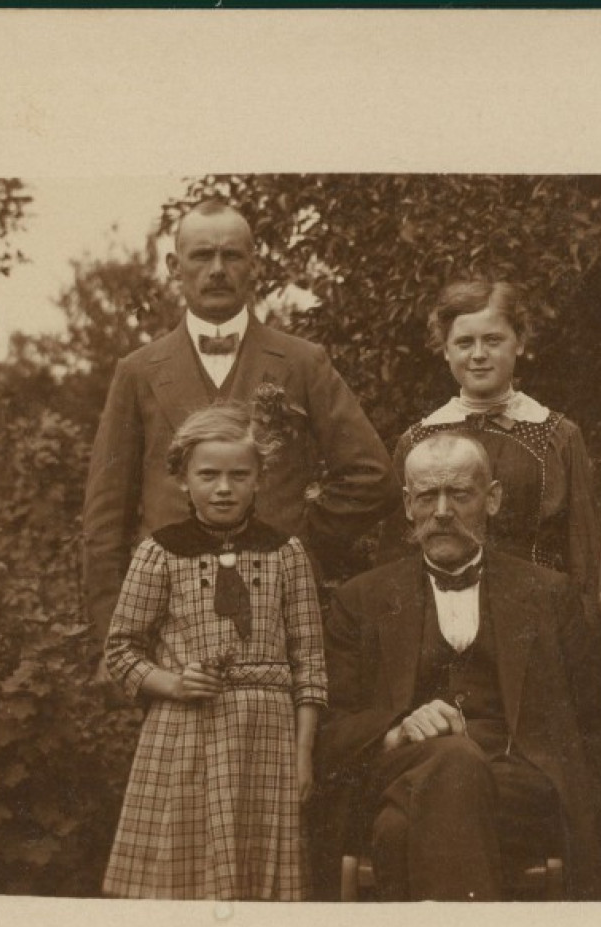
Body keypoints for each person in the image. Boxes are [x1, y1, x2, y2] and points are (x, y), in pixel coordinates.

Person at [83, 197, 399, 656]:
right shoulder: (138, 371)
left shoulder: (302, 362)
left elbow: (374, 477)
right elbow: (105, 518)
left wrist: (300, 536)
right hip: (169, 618)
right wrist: (115, 641)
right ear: (174, 266)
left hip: (279, 611)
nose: (216, 269)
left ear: (255, 265)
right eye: (201, 256)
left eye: (231, 255)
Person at [316, 433, 601, 901]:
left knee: (395, 830)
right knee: (453, 759)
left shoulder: (549, 594)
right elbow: (332, 729)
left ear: (491, 500)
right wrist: (398, 730)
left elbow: (593, 723)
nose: (443, 512)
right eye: (428, 496)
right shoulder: (362, 600)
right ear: (408, 505)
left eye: (460, 494)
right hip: (401, 768)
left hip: (516, 780)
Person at [101, 402, 326, 900]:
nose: (223, 488)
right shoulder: (159, 553)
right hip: (185, 735)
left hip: (268, 740)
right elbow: (120, 651)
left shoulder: (286, 554)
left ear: (259, 478)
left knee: (261, 889)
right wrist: (173, 683)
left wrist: (303, 754)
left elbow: (310, 662)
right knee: (185, 879)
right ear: (183, 478)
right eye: (208, 474)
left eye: (238, 475)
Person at [383, 281, 601, 609]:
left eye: (493, 340)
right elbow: (397, 559)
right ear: (445, 350)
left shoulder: (557, 435)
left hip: (538, 614)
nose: (479, 355)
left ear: (519, 342)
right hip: (442, 616)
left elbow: (585, 557)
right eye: (464, 343)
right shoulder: (417, 440)